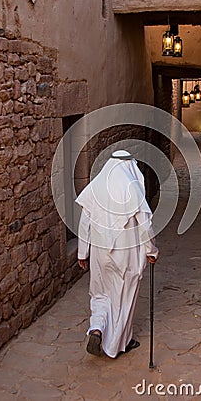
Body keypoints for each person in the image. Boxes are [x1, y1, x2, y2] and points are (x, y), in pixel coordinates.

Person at [76, 150, 158, 358]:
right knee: (123, 297)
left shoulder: (96, 186)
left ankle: (97, 328)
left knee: (101, 293)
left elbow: (85, 222)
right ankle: (117, 344)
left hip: (99, 254)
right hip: (126, 254)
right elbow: (144, 225)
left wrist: (82, 253)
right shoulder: (132, 189)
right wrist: (151, 250)